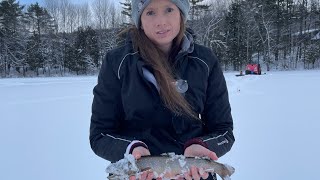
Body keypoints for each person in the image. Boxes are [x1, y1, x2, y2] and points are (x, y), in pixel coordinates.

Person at [90, 0, 235, 179]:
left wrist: (202, 145)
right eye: (150, 12)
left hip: (195, 175)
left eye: (169, 9)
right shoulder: (116, 62)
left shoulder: (205, 60)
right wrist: (131, 149)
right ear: (139, 19)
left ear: (181, 14)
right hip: (136, 173)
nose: (161, 21)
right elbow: (100, 135)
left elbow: (224, 131)